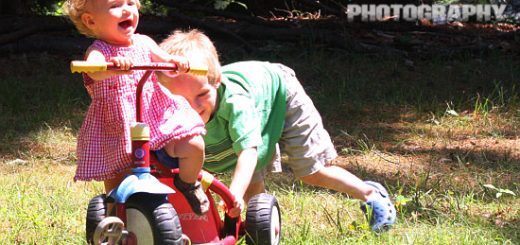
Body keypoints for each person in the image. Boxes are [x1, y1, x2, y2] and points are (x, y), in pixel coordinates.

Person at [157, 29, 397, 231]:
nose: (193, 107)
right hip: (254, 101)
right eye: (181, 100)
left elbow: (248, 153)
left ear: (216, 81)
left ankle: (370, 194)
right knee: (250, 186)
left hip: (280, 92)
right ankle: (257, 226)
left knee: (310, 171)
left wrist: (233, 196)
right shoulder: (168, 108)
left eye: (201, 95)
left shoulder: (236, 103)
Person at [64, 0, 209, 215]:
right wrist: (110, 67)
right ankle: (114, 215)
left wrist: (176, 64)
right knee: (117, 180)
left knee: (194, 145)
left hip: (156, 116)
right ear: (91, 20)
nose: (127, 9)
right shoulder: (98, 50)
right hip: (117, 126)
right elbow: (94, 70)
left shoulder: (144, 43)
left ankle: (187, 184)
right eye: (115, 6)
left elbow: (166, 63)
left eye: (131, 3)